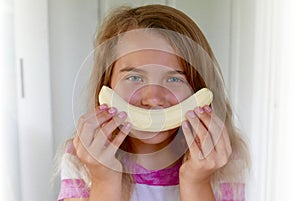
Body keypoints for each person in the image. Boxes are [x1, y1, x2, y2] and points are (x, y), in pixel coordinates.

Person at [56, 4, 250, 201]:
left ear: (199, 89)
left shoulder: (224, 162)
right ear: (106, 85)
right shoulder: (82, 158)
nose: (153, 99)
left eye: (174, 79)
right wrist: (104, 180)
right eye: (134, 77)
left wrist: (197, 182)